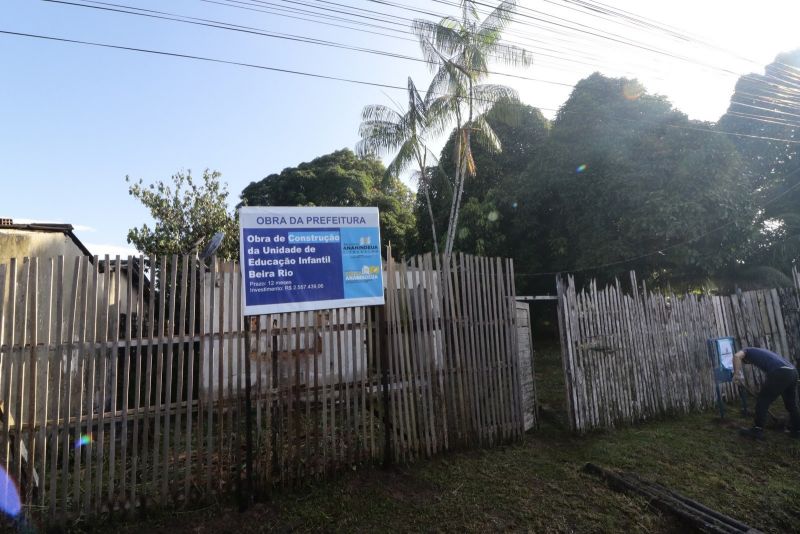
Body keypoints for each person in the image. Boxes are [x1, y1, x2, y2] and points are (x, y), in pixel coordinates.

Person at [733, 347, 800, 439]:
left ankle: (757, 430)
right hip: (793, 372)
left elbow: (737, 356)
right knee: (791, 404)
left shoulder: (747, 351)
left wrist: (736, 374)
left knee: (762, 401)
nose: (748, 363)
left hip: (781, 372)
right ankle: (797, 430)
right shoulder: (762, 352)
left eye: (746, 362)